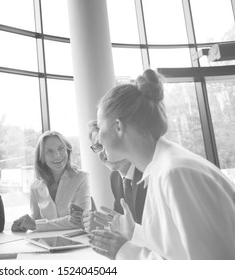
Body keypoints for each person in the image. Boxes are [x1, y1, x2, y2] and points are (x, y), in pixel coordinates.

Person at [90, 69, 235, 259]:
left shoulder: (176, 172)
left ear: (118, 126)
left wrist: (124, 252)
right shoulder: (162, 168)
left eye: (100, 126)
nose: (98, 137)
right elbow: (177, 248)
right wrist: (135, 232)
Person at [11, 131, 91, 232]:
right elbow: (35, 220)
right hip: (46, 244)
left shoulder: (81, 178)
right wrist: (24, 225)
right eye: (49, 151)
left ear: (67, 150)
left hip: (77, 243)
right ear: (41, 157)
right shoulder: (35, 185)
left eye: (61, 149)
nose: (57, 155)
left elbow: (80, 220)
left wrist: (36, 225)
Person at [83, 120, 146, 231]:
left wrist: (108, 226)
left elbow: (155, 232)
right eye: (98, 146)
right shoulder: (115, 178)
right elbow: (119, 220)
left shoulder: (147, 174)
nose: (103, 152)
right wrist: (101, 222)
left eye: (106, 144)